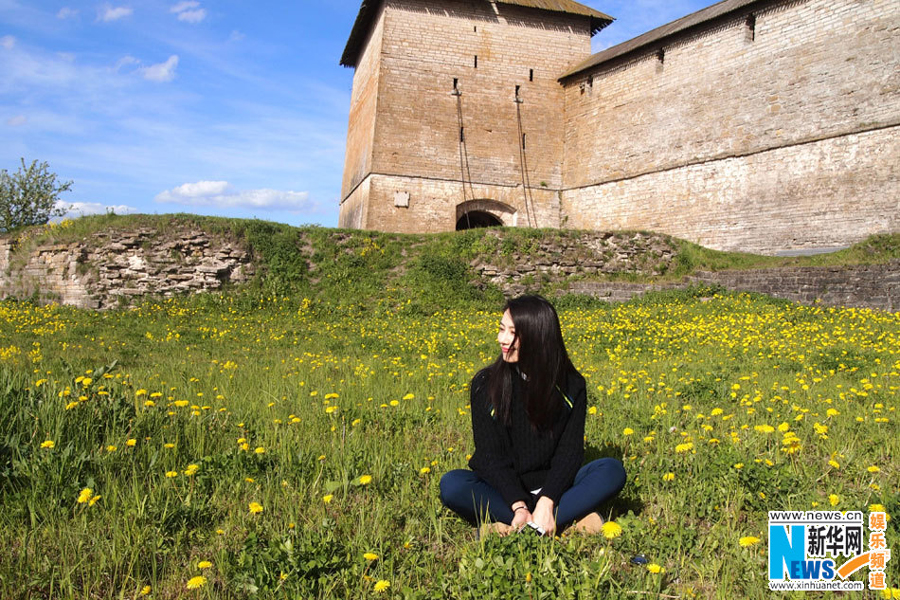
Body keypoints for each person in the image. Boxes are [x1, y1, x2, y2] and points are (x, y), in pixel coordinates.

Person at [440, 295, 626, 536]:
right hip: (503, 492)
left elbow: (569, 453)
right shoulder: (485, 384)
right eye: (501, 329)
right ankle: (557, 522)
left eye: (512, 332)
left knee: (611, 471)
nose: (502, 339)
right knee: (453, 485)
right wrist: (518, 505)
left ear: (538, 337)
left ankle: (515, 527)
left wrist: (547, 501)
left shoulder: (571, 386)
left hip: (556, 489)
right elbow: (490, 457)